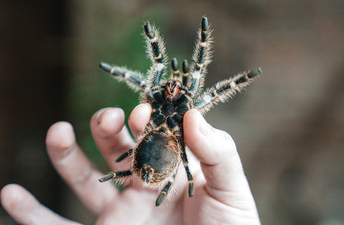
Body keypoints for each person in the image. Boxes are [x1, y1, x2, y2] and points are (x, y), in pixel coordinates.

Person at [0, 104, 261, 224]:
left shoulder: (182, 125)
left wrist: (190, 180)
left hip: (160, 143)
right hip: (161, 146)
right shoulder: (162, 115)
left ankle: (128, 171)